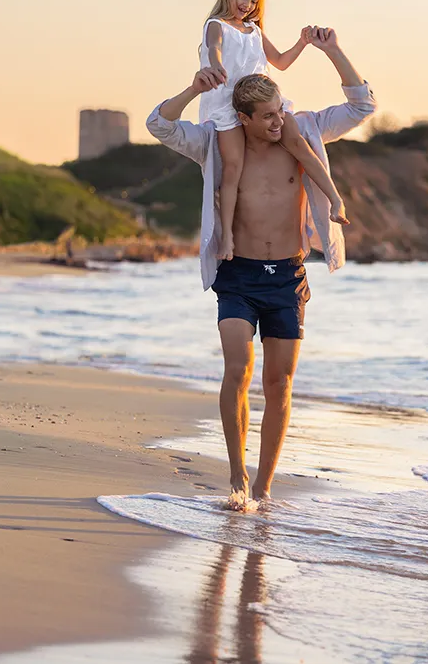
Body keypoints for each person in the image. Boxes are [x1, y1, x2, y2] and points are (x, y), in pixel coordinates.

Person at [147, 27, 375, 508]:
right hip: (238, 274)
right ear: (244, 118)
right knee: (238, 368)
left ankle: (265, 486)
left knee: (280, 384)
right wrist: (194, 88)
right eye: (268, 117)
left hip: (288, 277)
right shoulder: (215, 142)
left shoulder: (305, 129)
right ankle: (236, 476)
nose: (279, 122)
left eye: (280, 113)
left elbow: (362, 106)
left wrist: (332, 51)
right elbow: (159, 124)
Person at [198, 0, 349, 262]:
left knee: (300, 147)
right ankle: (227, 237)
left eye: (253, 1)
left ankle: (335, 199)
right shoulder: (216, 24)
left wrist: (303, 42)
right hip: (227, 103)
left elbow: (280, 61)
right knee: (232, 171)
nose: (247, 5)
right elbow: (213, 47)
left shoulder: (254, 30)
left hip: (264, 98)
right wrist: (215, 65)